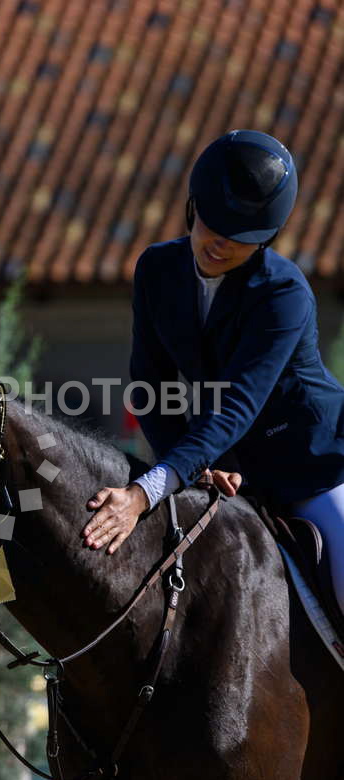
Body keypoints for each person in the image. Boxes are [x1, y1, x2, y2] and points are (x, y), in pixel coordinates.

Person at [82, 129, 344, 615]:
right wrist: (189, 466)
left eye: (241, 239)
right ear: (192, 208)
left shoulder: (283, 294)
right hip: (229, 469)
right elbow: (152, 385)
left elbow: (238, 403)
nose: (220, 245)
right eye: (212, 226)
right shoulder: (157, 270)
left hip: (314, 468)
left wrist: (147, 491)